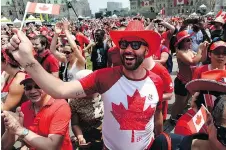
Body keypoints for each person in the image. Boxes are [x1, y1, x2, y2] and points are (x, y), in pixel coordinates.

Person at [6, 20, 164, 150]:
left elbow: (157, 115)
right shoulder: (105, 77)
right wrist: (27, 60)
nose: (128, 50)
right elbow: (59, 90)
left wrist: (160, 138)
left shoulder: (156, 81)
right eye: (124, 44)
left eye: (135, 45)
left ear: (146, 50)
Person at [1, 74, 72, 150]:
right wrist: (11, 129)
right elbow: (6, 146)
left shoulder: (60, 106)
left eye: (38, 86)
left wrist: (20, 130)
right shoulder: (24, 107)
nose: (33, 91)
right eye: (28, 88)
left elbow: (52, 146)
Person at [170, 30, 208, 124]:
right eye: (187, 40)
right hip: (181, 82)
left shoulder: (190, 51)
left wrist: (205, 49)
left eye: (190, 39)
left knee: (185, 102)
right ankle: (173, 117)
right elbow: (193, 62)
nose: (190, 41)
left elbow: (202, 59)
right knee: (179, 102)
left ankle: (178, 115)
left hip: (189, 82)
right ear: (181, 43)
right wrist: (199, 49)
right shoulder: (180, 53)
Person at [70, 70, 104, 150]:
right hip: (87, 137)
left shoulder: (103, 93)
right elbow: (75, 124)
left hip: (106, 135)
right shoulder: (74, 102)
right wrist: (80, 138)